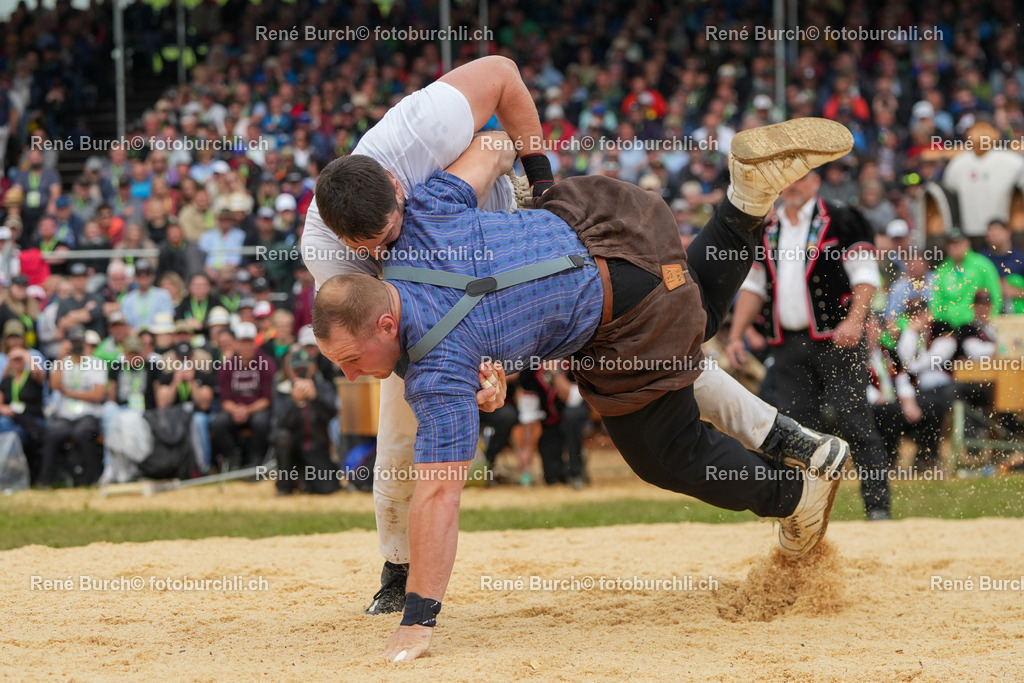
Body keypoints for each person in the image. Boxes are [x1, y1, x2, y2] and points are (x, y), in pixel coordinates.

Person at [303, 56, 838, 618]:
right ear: (343, 240)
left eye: (392, 228)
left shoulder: (421, 138)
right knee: (686, 317)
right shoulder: (344, 252)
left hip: (590, 291)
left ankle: (795, 494)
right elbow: (384, 334)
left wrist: (541, 186)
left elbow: (502, 97)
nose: (389, 245)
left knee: (663, 441)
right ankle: (746, 207)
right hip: (610, 221)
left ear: (397, 183)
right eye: (372, 245)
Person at [726, 169, 893, 521]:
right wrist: (737, 332)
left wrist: (854, 320)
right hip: (788, 344)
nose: (792, 185)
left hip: (838, 339)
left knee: (855, 423)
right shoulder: (768, 228)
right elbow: (755, 286)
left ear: (816, 183)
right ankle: (801, 514)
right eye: (786, 179)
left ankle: (878, 508)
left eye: (800, 178)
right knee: (796, 432)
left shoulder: (843, 219)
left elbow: (865, 274)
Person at [37, 327, 107, 488]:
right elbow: (54, 386)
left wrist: (69, 392)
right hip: (65, 415)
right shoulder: (61, 362)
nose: (76, 346)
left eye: (79, 343)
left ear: (85, 344)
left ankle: (95, 477)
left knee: (82, 433)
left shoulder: (96, 363)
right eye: (73, 343)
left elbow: (97, 395)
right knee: (52, 435)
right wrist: (61, 357)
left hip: (89, 414)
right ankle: (45, 480)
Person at [211, 322, 275, 470]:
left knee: (261, 422)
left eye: (249, 342)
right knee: (218, 423)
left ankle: (257, 460)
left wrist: (248, 410)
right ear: (236, 344)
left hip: (257, 408)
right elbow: (224, 398)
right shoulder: (226, 367)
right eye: (242, 342)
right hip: (234, 409)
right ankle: (232, 459)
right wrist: (236, 410)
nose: (246, 347)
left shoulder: (266, 363)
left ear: (255, 343)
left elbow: (267, 398)